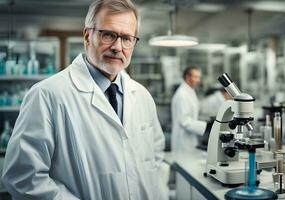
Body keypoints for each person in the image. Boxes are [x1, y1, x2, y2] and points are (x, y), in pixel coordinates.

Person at [1, 1, 165, 199]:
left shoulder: (142, 97)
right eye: (108, 35)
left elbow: (155, 161)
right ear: (88, 36)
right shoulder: (47, 95)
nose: (117, 47)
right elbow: (23, 178)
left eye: (127, 38)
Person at [171, 66, 208, 153]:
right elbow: (184, 121)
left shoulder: (190, 91)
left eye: (199, 77)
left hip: (189, 137)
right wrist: (205, 126)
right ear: (187, 77)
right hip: (183, 139)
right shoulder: (182, 94)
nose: (198, 80)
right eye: (196, 77)